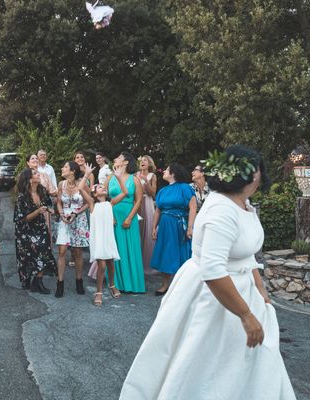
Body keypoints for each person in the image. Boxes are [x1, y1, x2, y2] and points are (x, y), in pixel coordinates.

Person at [120, 146, 296, 399]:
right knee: (207, 366)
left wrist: (260, 290)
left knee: (249, 365)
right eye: (256, 170)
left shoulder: (245, 205)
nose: (259, 176)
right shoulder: (221, 210)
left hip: (243, 290)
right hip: (214, 296)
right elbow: (213, 271)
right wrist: (245, 315)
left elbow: (247, 255)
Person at [79, 164, 124, 306]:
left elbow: (125, 192)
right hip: (98, 239)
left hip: (108, 238)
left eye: (103, 187)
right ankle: (98, 292)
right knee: (102, 265)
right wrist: (86, 174)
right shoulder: (92, 204)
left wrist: (118, 178)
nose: (102, 187)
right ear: (94, 193)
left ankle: (112, 285)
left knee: (111, 264)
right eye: (99, 187)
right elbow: (80, 188)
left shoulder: (110, 203)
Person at [150, 163, 197, 295]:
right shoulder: (163, 191)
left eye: (166, 170)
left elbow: (193, 207)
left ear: (173, 173)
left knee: (181, 253)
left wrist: (190, 227)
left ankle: (183, 286)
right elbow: (158, 211)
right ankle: (165, 285)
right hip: (165, 225)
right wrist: (154, 227)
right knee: (166, 253)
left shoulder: (185, 188)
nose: (164, 171)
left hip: (178, 225)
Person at [106, 152, 145, 293]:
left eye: (119, 157)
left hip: (129, 215)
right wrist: (110, 216)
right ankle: (115, 282)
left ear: (126, 162)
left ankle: (132, 283)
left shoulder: (134, 180)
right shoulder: (110, 178)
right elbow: (104, 197)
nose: (115, 158)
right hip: (112, 215)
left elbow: (139, 201)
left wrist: (129, 218)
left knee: (129, 248)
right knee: (114, 248)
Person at [13, 168, 57, 293]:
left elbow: (48, 203)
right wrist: (38, 211)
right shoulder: (22, 197)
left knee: (44, 252)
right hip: (25, 230)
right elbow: (22, 219)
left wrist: (50, 210)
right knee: (27, 256)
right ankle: (26, 279)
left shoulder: (42, 190)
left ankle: (38, 282)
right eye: (36, 174)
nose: (39, 174)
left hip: (40, 227)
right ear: (30, 179)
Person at [54, 161, 90, 297]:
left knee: (77, 252)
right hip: (64, 219)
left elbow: (89, 202)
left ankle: (79, 281)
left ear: (73, 171)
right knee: (62, 251)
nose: (62, 168)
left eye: (65, 167)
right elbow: (58, 202)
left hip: (79, 218)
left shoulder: (82, 184)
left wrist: (76, 213)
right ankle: (60, 283)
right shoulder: (61, 184)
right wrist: (62, 214)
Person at [136, 155, 157, 275]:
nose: (143, 162)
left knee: (147, 231)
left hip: (147, 203)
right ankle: (136, 262)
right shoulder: (135, 175)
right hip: (137, 203)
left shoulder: (152, 176)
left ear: (149, 164)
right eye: (141, 160)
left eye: (145, 160)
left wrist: (146, 182)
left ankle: (146, 264)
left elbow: (153, 194)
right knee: (137, 231)